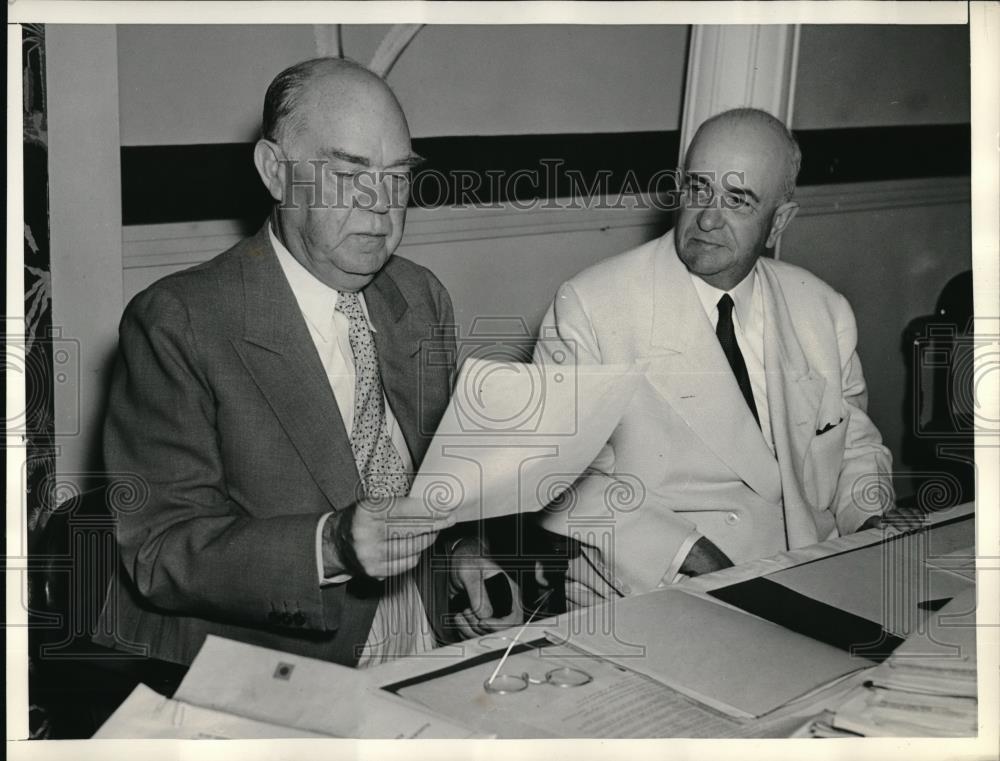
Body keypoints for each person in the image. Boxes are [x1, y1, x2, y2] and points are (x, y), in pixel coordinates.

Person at [95, 57, 519, 667]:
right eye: (349, 175)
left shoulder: (420, 298)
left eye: (397, 178)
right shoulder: (179, 322)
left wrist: (458, 555)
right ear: (275, 172)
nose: (380, 206)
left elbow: (430, 481)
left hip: (418, 630)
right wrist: (333, 546)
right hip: (264, 659)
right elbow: (159, 550)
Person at [533, 108, 894, 607]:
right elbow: (562, 480)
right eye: (698, 189)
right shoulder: (592, 304)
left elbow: (855, 447)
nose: (707, 217)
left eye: (738, 201)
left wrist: (872, 522)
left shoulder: (823, 310)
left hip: (809, 581)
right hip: (651, 590)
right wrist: (692, 556)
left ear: (778, 223)